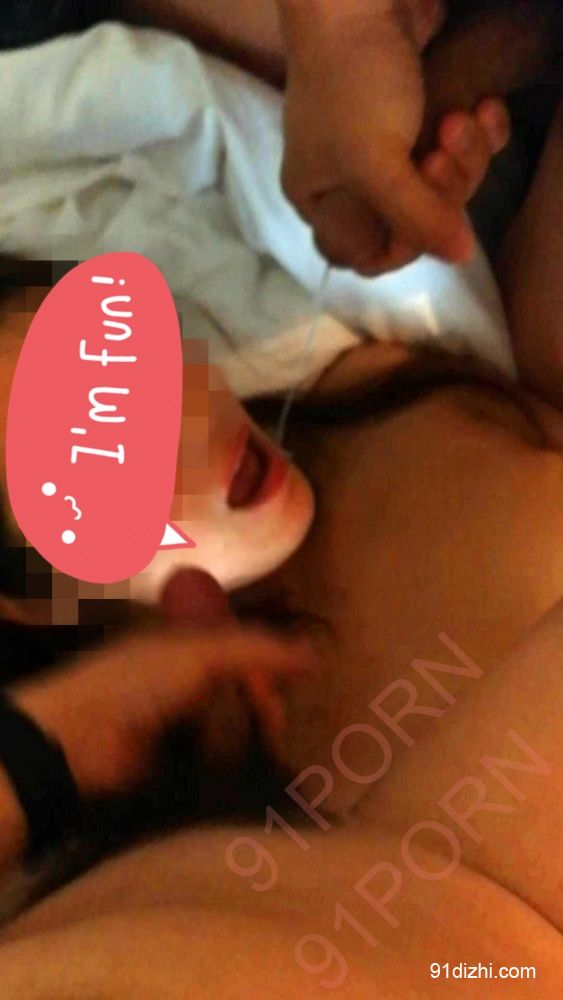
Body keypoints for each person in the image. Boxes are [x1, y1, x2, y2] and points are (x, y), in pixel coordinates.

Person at [0, 85, 562, 994]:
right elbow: (485, 967)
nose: (184, 429)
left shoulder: (365, 376)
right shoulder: (200, 845)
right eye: (99, 455)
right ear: (28, 594)